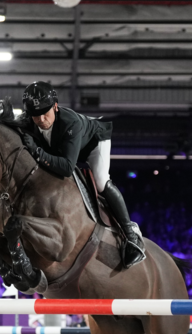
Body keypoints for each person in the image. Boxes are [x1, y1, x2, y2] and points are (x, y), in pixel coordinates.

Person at [19, 81, 145, 268]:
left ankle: (131, 234)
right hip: (65, 149)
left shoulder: (71, 122)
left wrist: (37, 152)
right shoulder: (29, 120)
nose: (42, 119)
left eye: (46, 113)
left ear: (55, 106)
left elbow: (67, 167)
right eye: (36, 115)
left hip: (93, 144)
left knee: (101, 182)